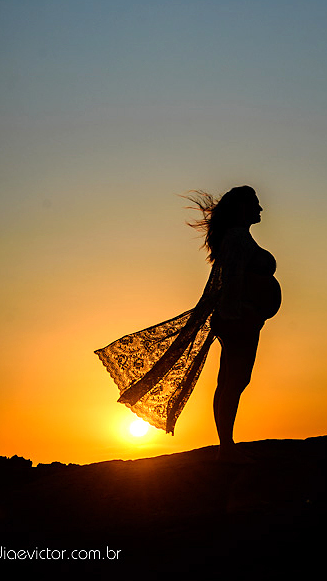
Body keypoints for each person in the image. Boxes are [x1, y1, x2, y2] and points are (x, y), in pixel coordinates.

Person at [95, 186, 280, 460]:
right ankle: (226, 447)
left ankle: (225, 444)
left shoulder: (238, 237)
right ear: (242, 208)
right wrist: (240, 313)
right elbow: (230, 279)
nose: (261, 208)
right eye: (255, 203)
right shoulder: (238, 237)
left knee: (230, 379)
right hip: (240, 318)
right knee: (236, 379)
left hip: (241, 317)